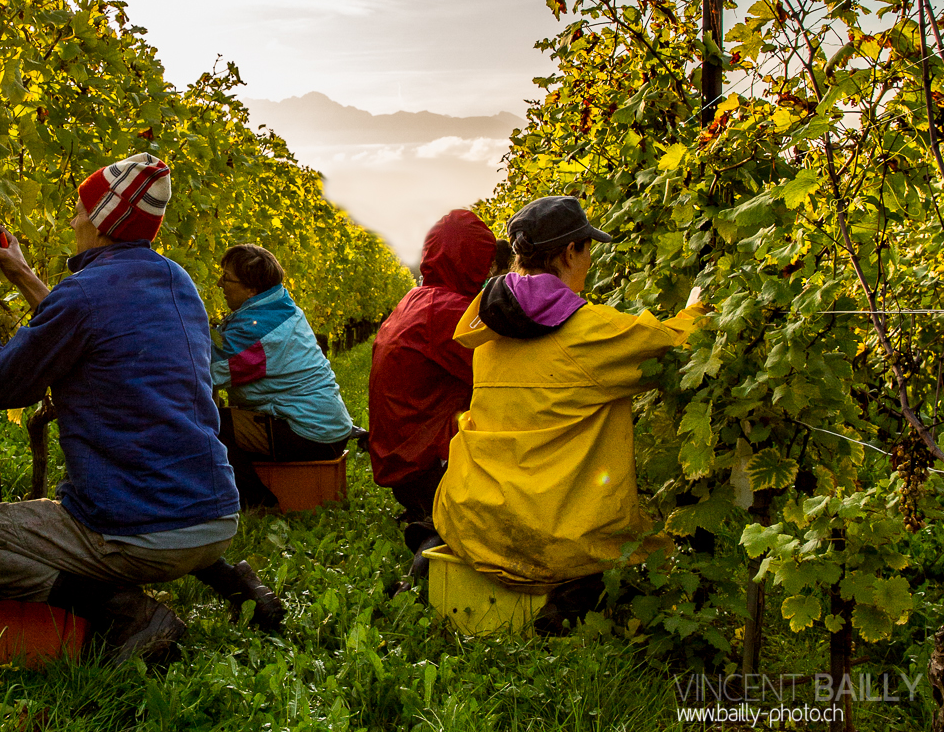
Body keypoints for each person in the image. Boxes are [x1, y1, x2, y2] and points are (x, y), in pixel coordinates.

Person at [0, 153, 280, 662]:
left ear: (103, 221)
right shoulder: (177, 282)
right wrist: (22, 271)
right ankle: (237, 584)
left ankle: (121, 612)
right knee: (162, 471)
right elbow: (89, 326)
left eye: (79, 211)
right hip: (217, 517)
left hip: (137, 533)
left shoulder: (85, 296)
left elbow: (3, 385)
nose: (72, 221)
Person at [435, 195, 707, 627]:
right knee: (654, 552)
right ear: (568, 252)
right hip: (549, 534)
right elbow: (674, 346)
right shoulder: (589, 332)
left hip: (475, 518)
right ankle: (570, 600)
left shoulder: (486, 326)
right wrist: (697, 311)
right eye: (588, 248)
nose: (591, 259)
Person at [366, 210, 499, 528]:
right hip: (427, 469)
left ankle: (429, 515)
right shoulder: (451, 312)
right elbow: (506, 374)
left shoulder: (415, 300)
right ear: (470, 260)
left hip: (402, 465)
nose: (490, 270)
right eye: (486, 260)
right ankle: (440, 527)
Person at [210, 244, 353, 509]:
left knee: (207, 423)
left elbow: (206, 372)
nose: (219, 284)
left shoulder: (259, 332)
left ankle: (258, 503)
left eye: (226, 278)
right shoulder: (277, 309)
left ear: (252, 289)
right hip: (324, 427)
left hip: (310, 433)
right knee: (222, 419)